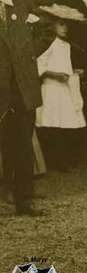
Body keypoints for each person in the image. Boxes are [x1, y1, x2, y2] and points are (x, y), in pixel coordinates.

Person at [0, 0, 51, 216]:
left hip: (22, 90)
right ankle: (4, 196)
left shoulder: (24, 5)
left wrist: (28, 52)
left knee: (22, 145)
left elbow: (49, 30)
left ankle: (23, 199)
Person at [35, 3, 87, 172]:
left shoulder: (66, 45)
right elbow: (38, 65)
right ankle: (54, 161)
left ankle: (64, 160)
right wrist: (53, 74)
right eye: (61, 24)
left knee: (65, 123)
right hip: (51, 88)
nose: (65, 28)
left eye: (67, 25)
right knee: (52, 124)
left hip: (64, 88)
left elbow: (64, 64)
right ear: (53, 25)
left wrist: (73, 72)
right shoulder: (48, 43)